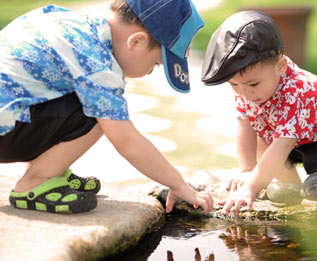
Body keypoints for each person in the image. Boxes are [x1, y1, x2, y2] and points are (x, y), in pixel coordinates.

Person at [0, 0, 213, 214]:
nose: (151, 71)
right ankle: (36, 181)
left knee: (85, 96)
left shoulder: (69, 22)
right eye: (156, 64)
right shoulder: (96, 62)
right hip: (5, 134)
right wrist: (178, 185)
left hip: (9, 121)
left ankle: (47, 170)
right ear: (137, 41)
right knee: (104, 112)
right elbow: (126, 140)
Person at [201, 11, 317, 216]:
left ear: (280, 66)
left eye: (253, 84)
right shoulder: (248, 89)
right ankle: (293, 195)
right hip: (302, 137)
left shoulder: (299, 91)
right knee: (264, 143)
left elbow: (283, 144)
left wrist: (250, 188)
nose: (245, 93)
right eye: (234, 85)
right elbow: (244, 125)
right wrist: (247, 171)